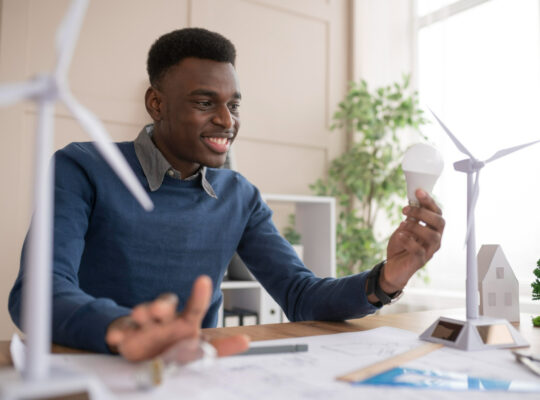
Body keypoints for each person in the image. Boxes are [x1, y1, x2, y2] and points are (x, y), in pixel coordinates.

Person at [9, 28, 445, 362]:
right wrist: (125, 328)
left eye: (233, 105)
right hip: (93, 368)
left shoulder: (239, 195)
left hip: (189, 374)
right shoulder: (83, 167)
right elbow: (37, 292)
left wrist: (386, 279)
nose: (226, 120)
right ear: (156, 104)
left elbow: (301, 295)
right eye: (205, 103)